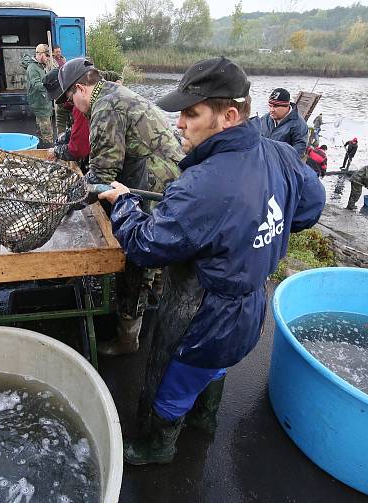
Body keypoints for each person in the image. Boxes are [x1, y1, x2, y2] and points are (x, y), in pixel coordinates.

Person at [96, 57, 325, 466]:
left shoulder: (202, 184)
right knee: (217, 364)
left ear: (229, 115)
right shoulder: (281, 154)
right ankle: (205, 419)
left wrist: (124, 205)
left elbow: (148, 246)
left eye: (190, 113)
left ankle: (159, 446)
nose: (179, 124)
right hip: (252, 302)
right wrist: (259, 230)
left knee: (176, 377)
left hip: (205, 311)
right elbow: (310, 207)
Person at [58, 57, 184, 356]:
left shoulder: (105, 108)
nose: (72, 106)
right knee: (159, 249)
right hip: (169, 175)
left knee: (136, 253)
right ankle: (156, 301)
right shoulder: (114, 92)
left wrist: (65, 203)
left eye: (69, 99)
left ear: (80, 89)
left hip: (155, 180)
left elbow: (102, 174)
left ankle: (128, 338)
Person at [45, 69, 123, 164]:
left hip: (121, 154)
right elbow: (61, 117)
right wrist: (62, 137)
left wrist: (56, 151)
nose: (58, 99)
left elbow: (79, 149)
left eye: (62, 96)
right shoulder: (72, 100)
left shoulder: (82, 105)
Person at [260, 87, 309, 156]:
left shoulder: (298, 124)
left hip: (281, 164)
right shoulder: (265, 118)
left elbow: (299, 148)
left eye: (275, 107)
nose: (271, 110)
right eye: (270, 106)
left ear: (287, 106)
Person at [22, 44, 53, 147]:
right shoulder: (33, 68)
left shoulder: (41, 66)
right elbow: (36, 85)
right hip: (41, 106)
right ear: (39, 55)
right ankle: (49, 155)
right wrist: (51, 86)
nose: (48, 58)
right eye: (47, 55)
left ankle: (41, 151)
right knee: (47, 134)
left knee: (41, 133)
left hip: (44, 103)